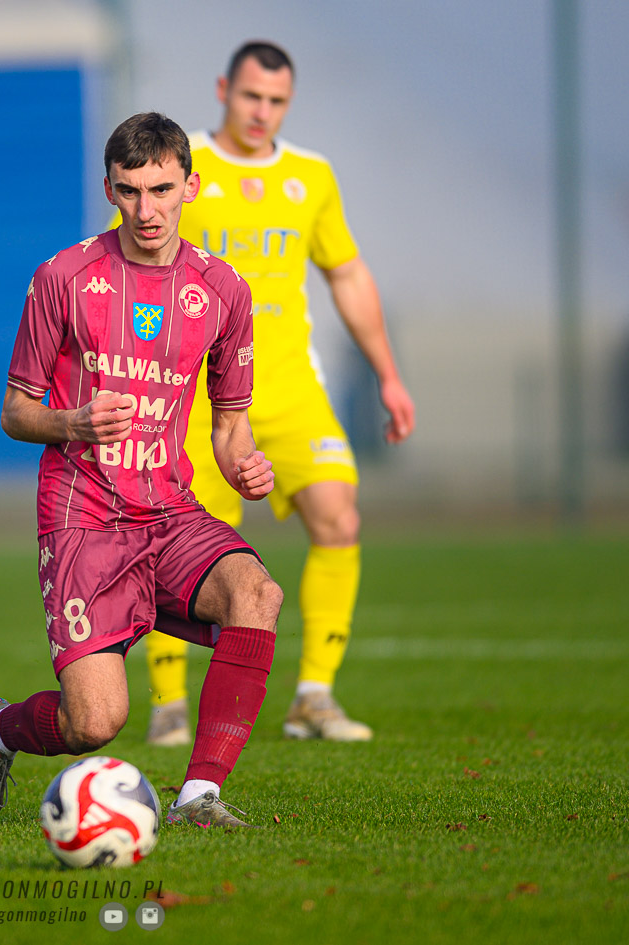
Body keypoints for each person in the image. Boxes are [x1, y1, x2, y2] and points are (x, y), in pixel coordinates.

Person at [0, 112, 284, 830]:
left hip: (168, 511)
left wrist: (245, 467)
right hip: (84, 517)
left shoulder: (223, 289)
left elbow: (230, 426)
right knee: (95, 723)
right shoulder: (63, 277)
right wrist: (73, 423)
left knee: (256, 592)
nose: (147, 209)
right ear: (109, 189)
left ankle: (198, 797)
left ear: (190, 186)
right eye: (130, 191)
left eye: (161, 189)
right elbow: (15, 411)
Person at [139, 41, 416, 746]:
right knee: (178, 541)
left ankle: (314, 698)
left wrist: (387, 373)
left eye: (276, 100)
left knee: (339, 516)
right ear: (223, 89)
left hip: (289, 385)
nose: (261, 111)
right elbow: (134, 266)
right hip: (198, 396)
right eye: (250, 96)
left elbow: (346, 274)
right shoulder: (179, 170)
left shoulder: (311, 176)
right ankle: (169, 703)